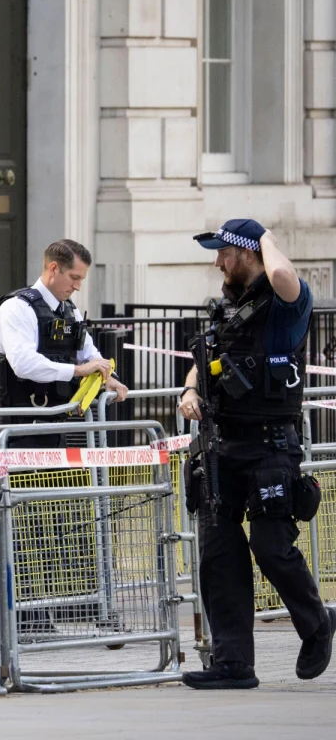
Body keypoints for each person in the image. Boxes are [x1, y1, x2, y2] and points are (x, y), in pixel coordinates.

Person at [178, 218, 335, 690]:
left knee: (270, 549)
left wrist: (261, 234)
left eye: (224, 252)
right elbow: (200, 364)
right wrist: (188, 393)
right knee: (219, 557)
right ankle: (233, 665)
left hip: (271, 447)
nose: (218, 262)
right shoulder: (227, 310)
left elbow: (285, 276)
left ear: (248, 252)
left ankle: (317, 624)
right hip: (222, 448)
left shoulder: (286, 306)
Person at [0, 239, 129, 634]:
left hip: (54, 430)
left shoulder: (68, 312)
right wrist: (77, 373)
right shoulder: (17, 308)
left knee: (54, 522)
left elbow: (88, 354)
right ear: (52, 269)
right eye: (73, 277)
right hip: (18, 432)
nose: (77, 286)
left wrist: (108, 376)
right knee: (23, 523)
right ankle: (24, 614)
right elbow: (24, 363)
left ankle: (58, 607)